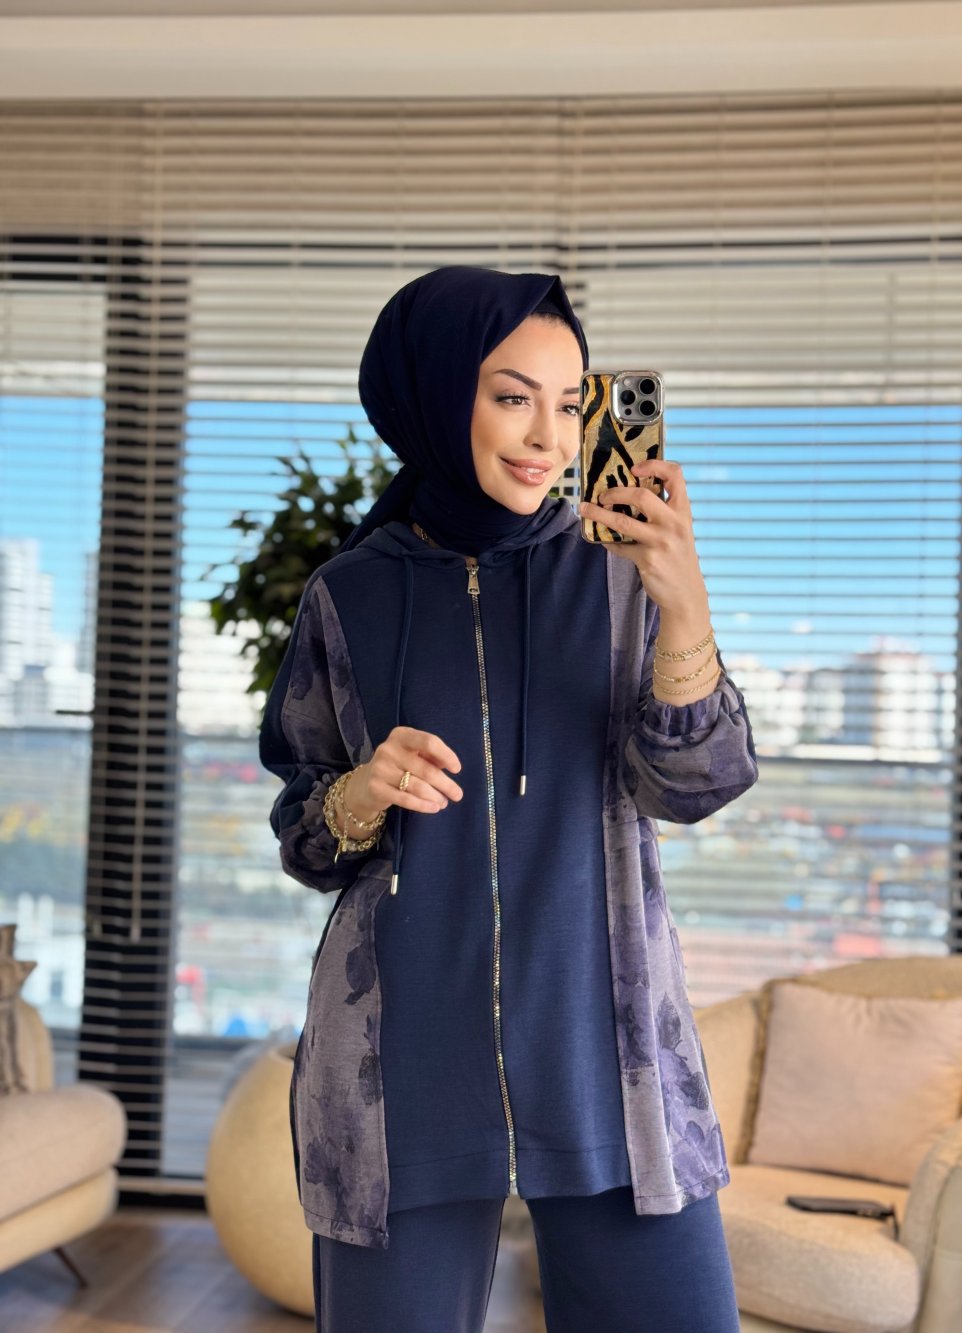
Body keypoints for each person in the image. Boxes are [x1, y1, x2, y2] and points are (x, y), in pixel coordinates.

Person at [259, 265, 759, 1332]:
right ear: (439, 396)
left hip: (607, 1049)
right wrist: (361, 792)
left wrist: (684, 609)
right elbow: (305, 833)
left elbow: (697, 785)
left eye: (571, 403)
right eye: (511, 396)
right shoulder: (350, 593)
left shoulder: (622, 573)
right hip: (400, 1063)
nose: (546, 436)